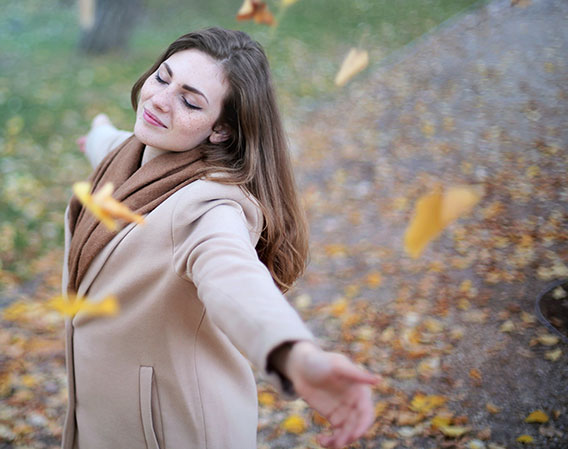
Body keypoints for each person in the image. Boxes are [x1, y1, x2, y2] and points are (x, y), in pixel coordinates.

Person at [62, 27, 380, 449]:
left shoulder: (210, 206)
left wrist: (295, 355)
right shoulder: (127, 154)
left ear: (221, 131)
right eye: (162, 77)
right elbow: (111, 145)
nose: (159, 100)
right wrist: (97, 133)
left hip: (177, 431)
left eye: (190, 101)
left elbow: (234, 276)